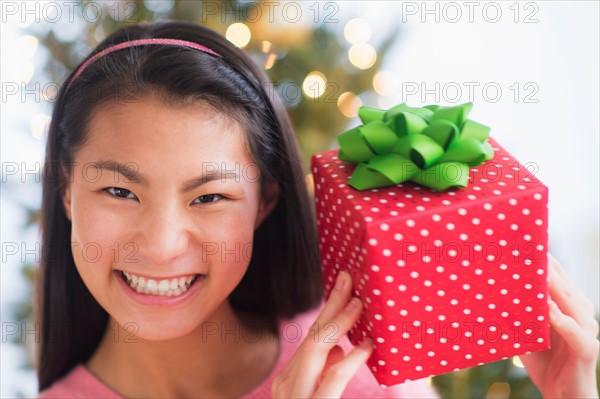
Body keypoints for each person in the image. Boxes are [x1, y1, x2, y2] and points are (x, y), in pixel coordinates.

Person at [36, 20, 598, 398]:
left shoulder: (359, 371)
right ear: (66, 189)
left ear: (265, 202)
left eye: (209, 197)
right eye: (119, 191)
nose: (160, 244)